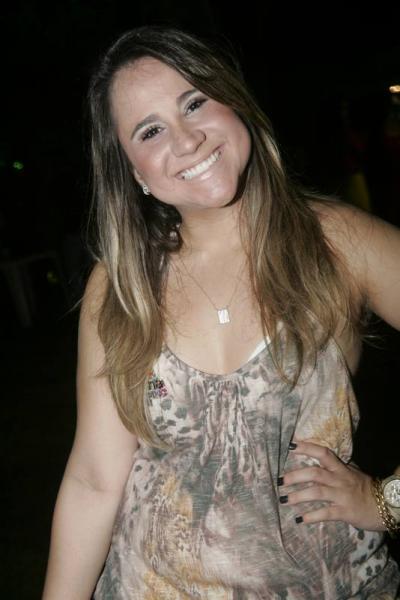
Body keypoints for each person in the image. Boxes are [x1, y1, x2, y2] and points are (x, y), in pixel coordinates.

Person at [42, 24, 400, 599]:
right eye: (151, 130)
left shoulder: (336, 243)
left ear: (234, 103)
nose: (186, 140)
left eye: (194, 103)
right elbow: (94, 480)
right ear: (134, 172)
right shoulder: (122, 284)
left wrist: (387, 500)